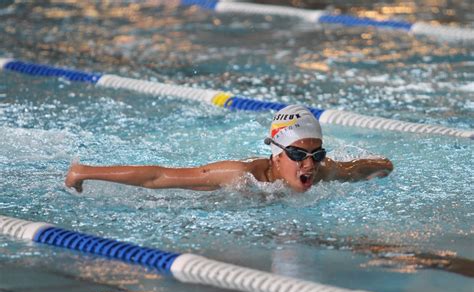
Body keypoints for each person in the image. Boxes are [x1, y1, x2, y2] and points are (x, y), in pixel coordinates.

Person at [65, 105, 393, 193]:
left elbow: (372, 166)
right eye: (297, 154)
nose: (308, 164)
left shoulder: (322, 172)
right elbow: (159, 177)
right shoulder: (241, 177)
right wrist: (85, 173)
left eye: (316, 154)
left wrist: (382, 167)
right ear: (276, 154)